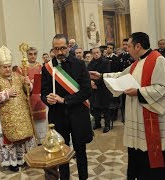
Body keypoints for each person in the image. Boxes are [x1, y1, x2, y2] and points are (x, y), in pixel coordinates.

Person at [90, 32, 165, 180]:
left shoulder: (159, 61)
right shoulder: (137, 63)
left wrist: (138, 92)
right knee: (140, 152)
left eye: (128, 46)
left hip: (155, 123)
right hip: (139, 120)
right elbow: (121, 76)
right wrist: (101, 76)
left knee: (158, 157)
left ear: (138, 46)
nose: (127, 50)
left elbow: (164, 89)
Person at [41, 34, 94, 180]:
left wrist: (65, 100)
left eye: (63, 48)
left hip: (78, 113)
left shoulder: (79, 64)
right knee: (61, 153)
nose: (59, 52)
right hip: (58, 116)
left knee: (80, 151)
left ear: (68, 48)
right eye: (56, 49)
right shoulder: (47, 68)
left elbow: (86, 91)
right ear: (52, 49)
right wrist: (48, 99)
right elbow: (43, 93)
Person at [0, 45, 36, 172]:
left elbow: (27, 91)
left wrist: (28, 84)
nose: (7, 69)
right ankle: (12, 162)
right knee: (9, 140)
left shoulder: (17, 75)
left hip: (21, 114)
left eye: (9, 66)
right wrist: (6, 94)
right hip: (5, 116)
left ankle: (24, 158)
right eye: (4, 67)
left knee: (24, 137)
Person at [24, 47, 48, 144]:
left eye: (35, 54)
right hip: (27, 100)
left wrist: (33, 82)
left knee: (41, 127)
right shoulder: (22, 68)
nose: (33, 56)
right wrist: (27, 83)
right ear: (27, 55)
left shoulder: (41, 67)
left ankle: (41, 143)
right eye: (30, 54)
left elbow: (42, 84)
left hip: (39, 100)